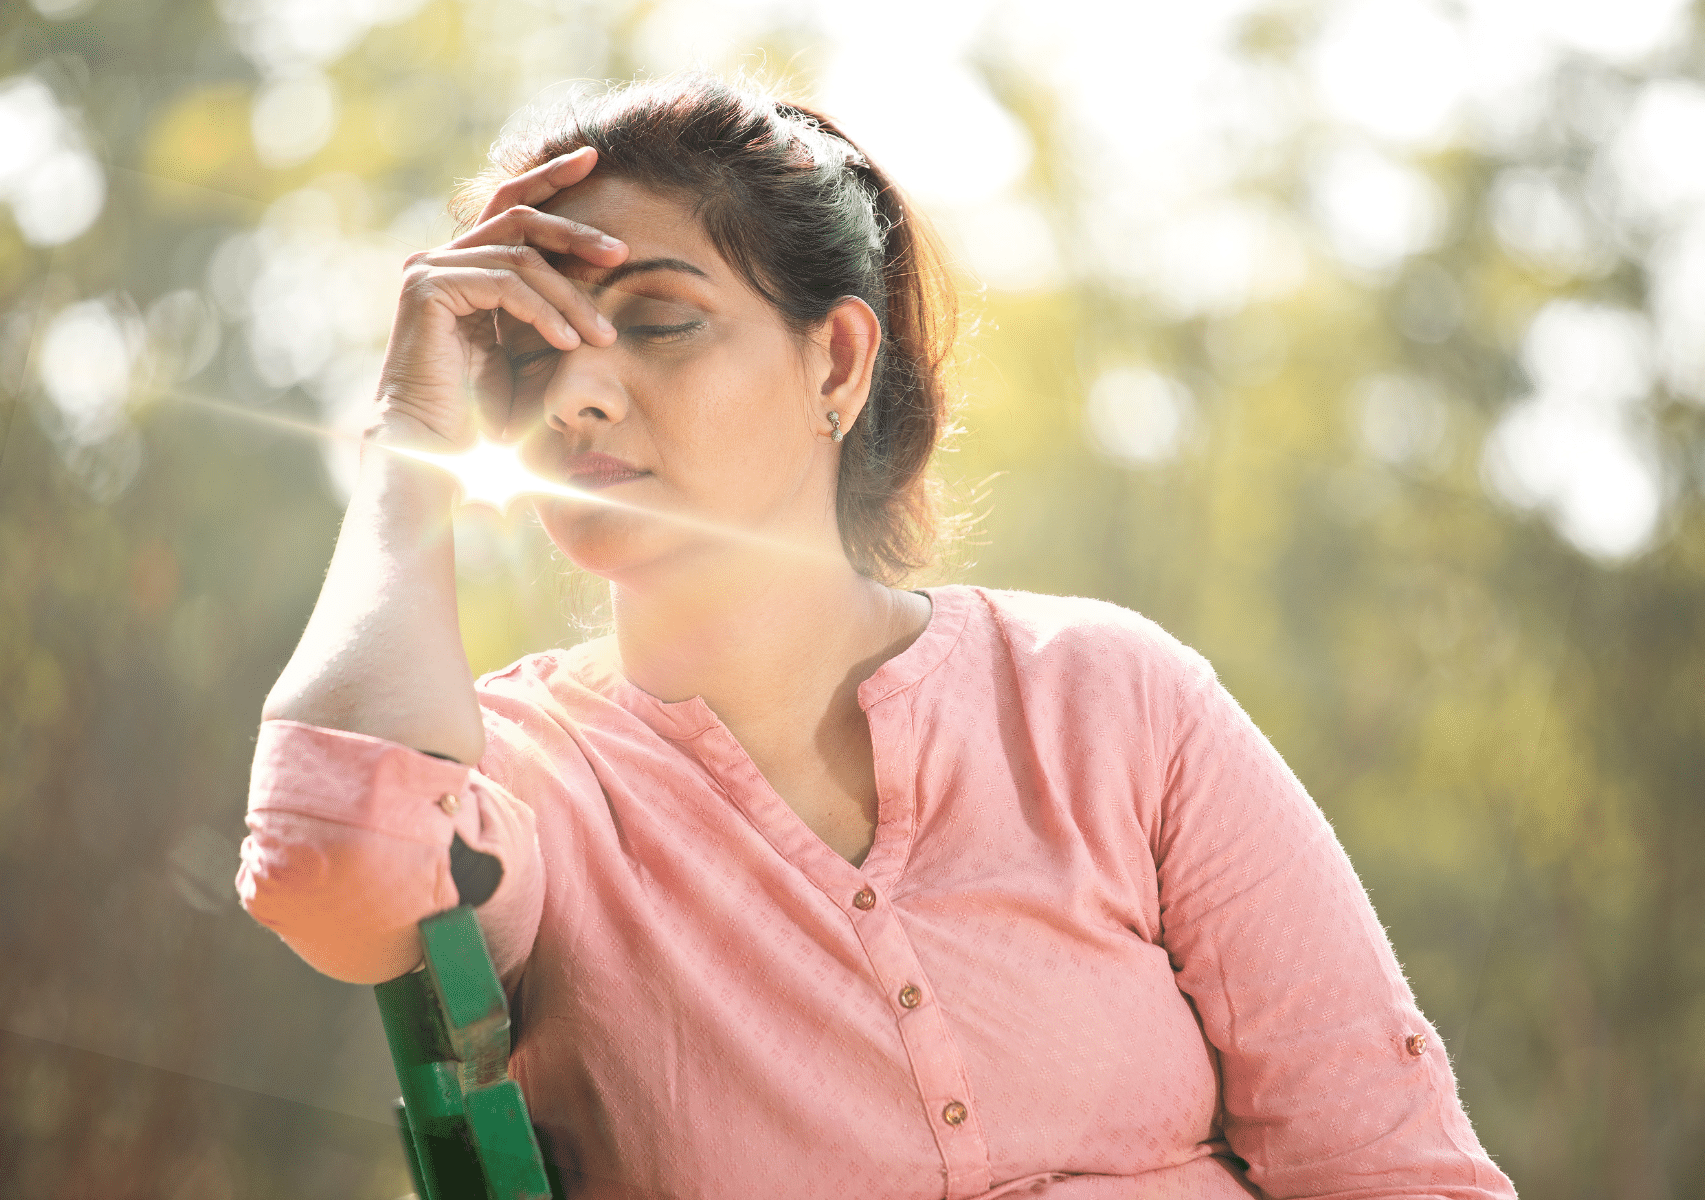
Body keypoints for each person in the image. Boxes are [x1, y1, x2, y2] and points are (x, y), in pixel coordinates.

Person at [237, 73, 1516, 1200]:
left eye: (658, 320)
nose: (573, 388)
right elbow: (333, 862)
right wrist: (408, 440)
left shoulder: (1111, 704)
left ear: (837, 362)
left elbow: (1390, 1169)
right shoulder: (522, 789)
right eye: (522, 349)